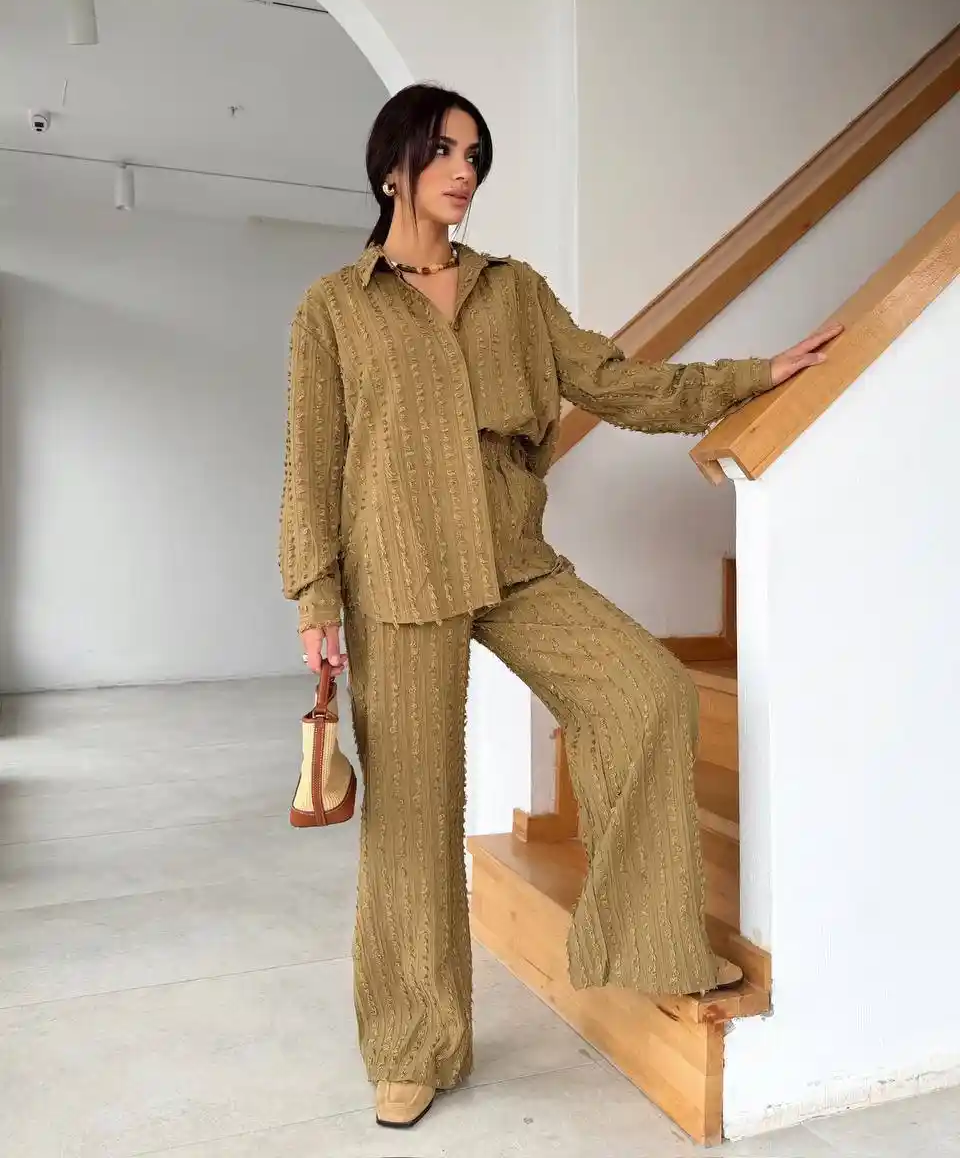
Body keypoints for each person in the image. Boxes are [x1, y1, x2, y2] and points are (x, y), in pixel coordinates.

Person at [279, 83, 840, 1130]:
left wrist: (753, 374)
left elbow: (619, 383)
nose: (464, 172)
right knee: (411, 819)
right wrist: (316, 593)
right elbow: (311, 462)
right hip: (396, 568)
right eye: (445, 151)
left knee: (646, 692)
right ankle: (412, 1045)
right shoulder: (335, 308)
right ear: (393, 167)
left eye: (477, 156)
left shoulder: (515, 292)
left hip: (513, 553)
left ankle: (649, 939)